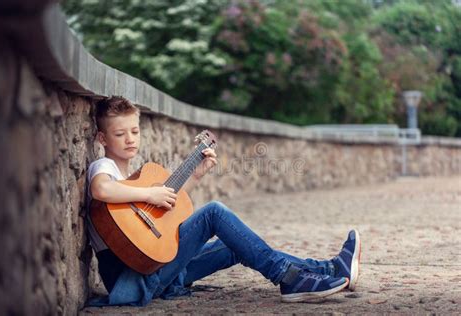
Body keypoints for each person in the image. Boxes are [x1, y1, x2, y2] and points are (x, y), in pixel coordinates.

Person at [86, 96, 361, 306]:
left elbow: (169, 208)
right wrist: (149, 194)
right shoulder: (104, 167)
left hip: (158, 271)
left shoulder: (133, 177)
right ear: (102, 138)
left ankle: (330, 268)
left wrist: (195, 176)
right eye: (120, 134)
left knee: (234, 245)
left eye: (134, 131)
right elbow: (101, 190)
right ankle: (289, 279)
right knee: (214, 213)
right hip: (131, 282)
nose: (130, 139)